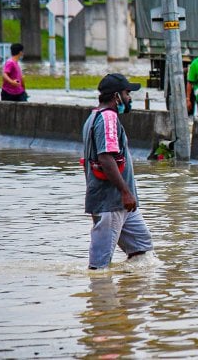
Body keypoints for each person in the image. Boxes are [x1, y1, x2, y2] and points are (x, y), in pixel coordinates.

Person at [82, 73, 153, 270]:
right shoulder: (108, 118)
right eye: (127, 93)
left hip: (123, 205)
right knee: (99, 267)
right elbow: (106, 158)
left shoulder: (94, 117)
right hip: (112, 202)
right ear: (116, 96)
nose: (130, 98)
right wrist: (125, 192)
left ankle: (131, 295)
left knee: (143, 252)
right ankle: (102, 298)